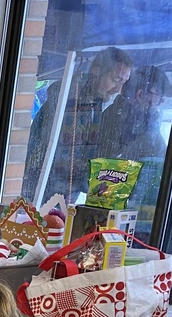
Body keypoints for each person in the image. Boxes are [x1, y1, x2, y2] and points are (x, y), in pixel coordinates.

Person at [24, 46, 133, 204]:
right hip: (42, 193)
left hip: (66, 195)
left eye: (123, 82)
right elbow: (55, 154)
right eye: (116, 80)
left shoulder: (96, 106)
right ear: (96, 72)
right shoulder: (67, 102)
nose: (118, 89)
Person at [98, 65, 172, 160]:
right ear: (140, 94)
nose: (161, 102)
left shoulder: (144, 120)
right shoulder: (121, 120)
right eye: (159, 95)